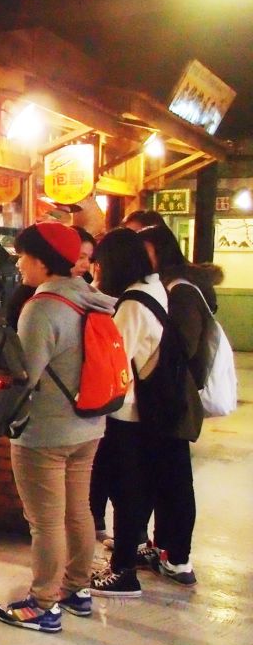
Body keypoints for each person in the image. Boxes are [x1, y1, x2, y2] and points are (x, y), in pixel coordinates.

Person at [0, 223, 114, 632]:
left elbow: (23, 374)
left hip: (46, 432)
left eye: (23, 257)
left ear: (42, 262)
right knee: (78, 511)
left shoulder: (42, 308)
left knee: (45, 522)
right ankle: (76, 589)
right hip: (89, 423)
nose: (19, 264)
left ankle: (44, 603)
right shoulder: (90, 298)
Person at [88, 229, 202, 598]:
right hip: (157, 409)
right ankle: (138, 557)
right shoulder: (154, 287)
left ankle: (123, 571)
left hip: (131, 413)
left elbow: (114, 362)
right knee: (148, 486)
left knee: (128, 490)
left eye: (99, 263)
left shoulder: (133, 304)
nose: (95, 269)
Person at [132, 224, 208, 586]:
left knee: (176, 480)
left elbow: (185, 347)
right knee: (163, 478)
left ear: (160, 252)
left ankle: (178, 557)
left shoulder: (181, 291)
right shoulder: (165, 287)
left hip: (174, 400)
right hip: (166, 398)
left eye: (143, 250)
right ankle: (162, 547)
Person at [5, 226, 94, 329]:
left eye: (21, 257)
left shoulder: (39, 307)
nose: (87, 265)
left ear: (41, 260)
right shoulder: (88, 297)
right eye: (81, 257)